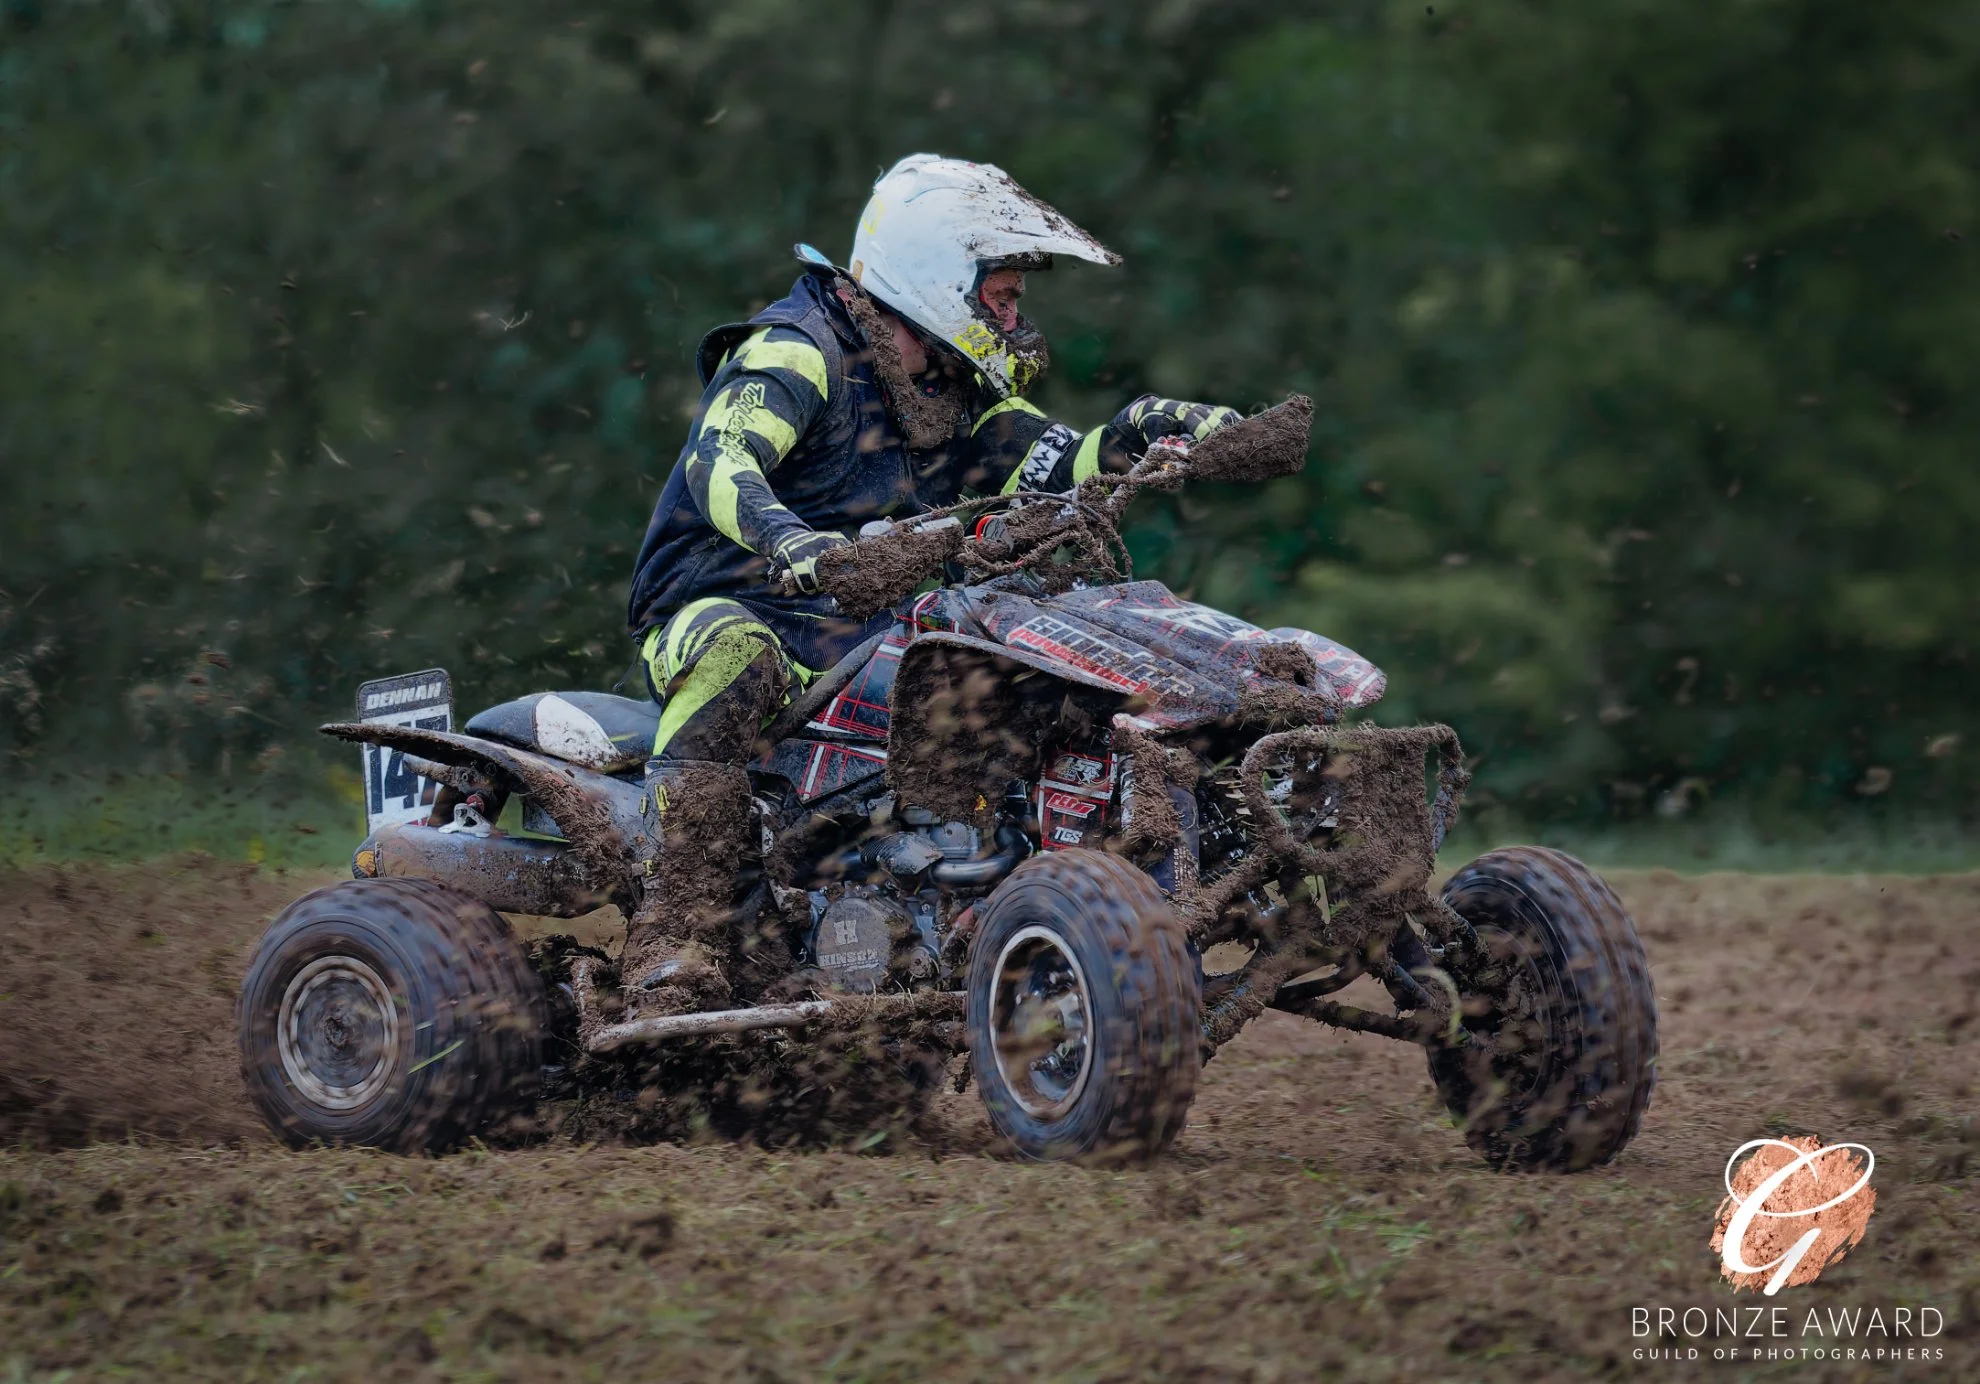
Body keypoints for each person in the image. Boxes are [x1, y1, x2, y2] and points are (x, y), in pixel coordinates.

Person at [620, 153, 1240, 1015]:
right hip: (728, 601)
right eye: (1004, 296)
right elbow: (721, 464)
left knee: (1018, 654)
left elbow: (1056, 464)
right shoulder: (797, 354)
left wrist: (1147, 429)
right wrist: (795, 544)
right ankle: (677, 934)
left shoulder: (950, 389)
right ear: (941, 278)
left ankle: (976, 891)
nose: (1017, 317)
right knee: (733, 655)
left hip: (865, 623)